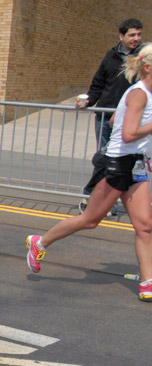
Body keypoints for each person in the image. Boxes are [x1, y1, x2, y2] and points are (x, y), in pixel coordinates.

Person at [27, 44, 152, 301]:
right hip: (117, 163)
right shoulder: (139, 93)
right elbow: (127, 133)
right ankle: (39, 243)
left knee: (145, 226)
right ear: (148, 66)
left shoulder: (140, 93)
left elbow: (116, 120)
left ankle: (147, 283)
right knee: (91, 220)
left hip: (136, 162)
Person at [76, 18, 143, 214]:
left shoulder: (143, 59)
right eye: (132, 35)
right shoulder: (111, 56)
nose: (136, 38)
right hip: (105, 117)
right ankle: (101, 202)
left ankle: (97, 198)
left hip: (130, 120)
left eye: (139, 34)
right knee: (105, 159)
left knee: (125, 162)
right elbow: (98, 84)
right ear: (121, 36)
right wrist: (88, 100)